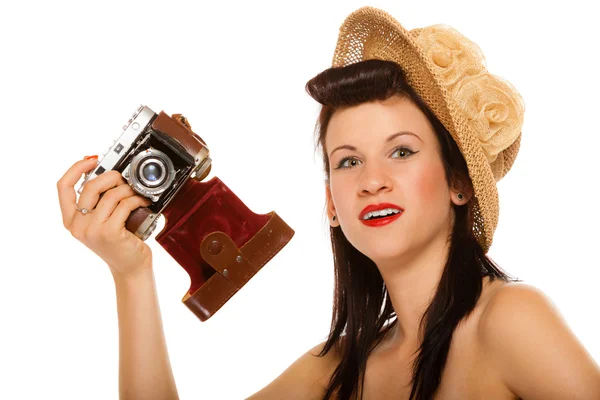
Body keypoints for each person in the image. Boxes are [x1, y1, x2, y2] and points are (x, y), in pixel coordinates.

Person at [57, 6, 600, 400]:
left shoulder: (509, 320)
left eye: (402, 152)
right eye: (347, 161)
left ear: (459, 182)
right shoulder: (337, 370)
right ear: (332, 204)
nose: (372, 180)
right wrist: (131, 275)